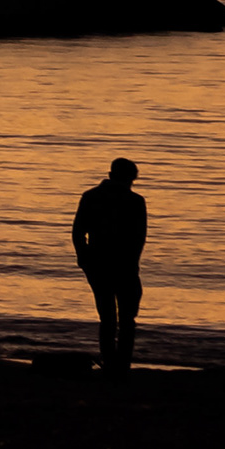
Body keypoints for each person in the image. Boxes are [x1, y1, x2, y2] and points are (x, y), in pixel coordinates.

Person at [69, 157, 146, 370]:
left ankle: (111, 361)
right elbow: (139, 238)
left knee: (108, 316)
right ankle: (121, 363)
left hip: (98, 263)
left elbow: (78, 232)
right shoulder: (135, 201)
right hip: (122, 265)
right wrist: (133, 264)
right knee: (126, 318)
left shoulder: (91, 196)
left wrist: (83, 257)